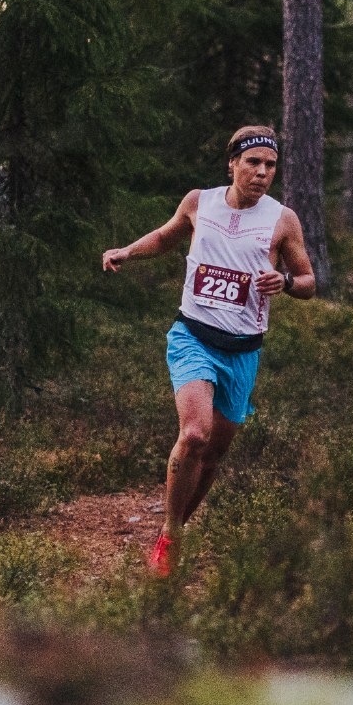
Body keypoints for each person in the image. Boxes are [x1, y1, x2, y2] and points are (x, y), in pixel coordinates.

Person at [100, 125, 317, 576]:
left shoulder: (283, 219)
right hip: (193, 336)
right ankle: (172, 538)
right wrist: (127, 251)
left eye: (270, 165)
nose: (261, 173)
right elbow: (166, 236)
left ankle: (171, 528)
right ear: (233, 163)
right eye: (253, 162)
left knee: (214, 453)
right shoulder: (200, 201)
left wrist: (287, 283)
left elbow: (309, 282)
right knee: (194, 435)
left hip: (243, 351)